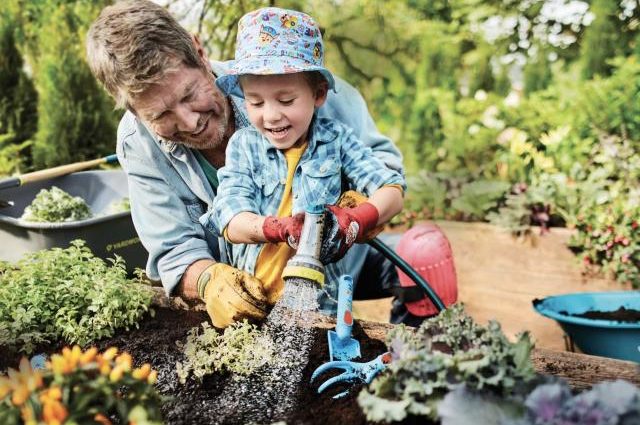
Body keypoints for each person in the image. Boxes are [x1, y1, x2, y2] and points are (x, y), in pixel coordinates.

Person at [86, 0, 417, 328]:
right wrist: (209, 281)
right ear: (135, 112)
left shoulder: (294, 80)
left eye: (189, 95)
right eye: (161, 115)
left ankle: (412, 370)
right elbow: (176, 248)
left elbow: (386, 174)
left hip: (341, 263)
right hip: (256, 290)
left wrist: (356, 211)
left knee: (424, 256)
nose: (188, 122)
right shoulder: (140, 143)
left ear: (199, 52)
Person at [202, 7, 405, 314]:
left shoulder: (337, 141)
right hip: (252, 301)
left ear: (319, 94)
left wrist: (358, 219)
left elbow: (391, 188)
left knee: (426, 250)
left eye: (286, 100)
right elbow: (230, 218)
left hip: (320, 304)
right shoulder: (244, 146)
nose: (271, 115)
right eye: (255, 102)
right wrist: (276, 228)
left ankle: (411, 356)